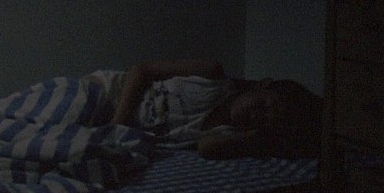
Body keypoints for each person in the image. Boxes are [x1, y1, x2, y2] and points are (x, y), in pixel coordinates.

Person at [82, 59, 322, 160]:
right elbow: (141, 70)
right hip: (111, 94)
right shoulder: (212, 75)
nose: (258, 114)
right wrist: (117, 125)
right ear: (261, 85)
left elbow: (206, 148)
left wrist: (258, 136)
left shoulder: (226, 133)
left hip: (118, 136)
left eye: (266, 120)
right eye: (264, 105)